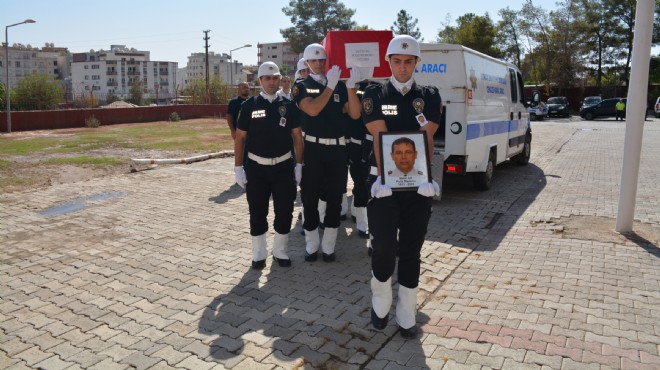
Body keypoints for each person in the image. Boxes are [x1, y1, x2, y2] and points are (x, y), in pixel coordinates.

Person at [362, 35, 441, 338]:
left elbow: (427, 138)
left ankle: (407, 313)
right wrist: (384, 179)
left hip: (416, 185)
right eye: (397, 61)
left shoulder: (429, 96)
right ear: (389, 62)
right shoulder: (374, 94)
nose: (403, 67)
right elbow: (380, 139)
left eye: (409, 61)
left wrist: (428, 178)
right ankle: (381, 298)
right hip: (382, 183)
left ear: (417, 62)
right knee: (383, 246)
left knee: (411, 247)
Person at [293, 43, 362, 262]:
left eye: (322, 60)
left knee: (335, 198)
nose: (319, 64)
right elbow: (312, 109)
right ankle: (312, 245)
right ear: (306, 63)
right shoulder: (301, 85)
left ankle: (329, 245)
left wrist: (350, 86)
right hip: (313, 148)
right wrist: (331, 86)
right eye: (314, 60)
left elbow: (355, 113)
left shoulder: (339, 85)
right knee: (310, 197)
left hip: (338, 149)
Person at [234, 61, 304, 270]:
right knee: (257, 212)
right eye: (267, 78)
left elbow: (297, 137)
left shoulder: (289, 105)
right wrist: (238, 167)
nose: (272, 82)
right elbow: (240, 139)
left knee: (284, 211)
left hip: (283, 167)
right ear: (260, 81)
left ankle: (280, 251)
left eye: (275, 78)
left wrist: (299, 165)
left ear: (280, 79)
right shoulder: (249, 106)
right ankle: (259, 253)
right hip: (256, 168)